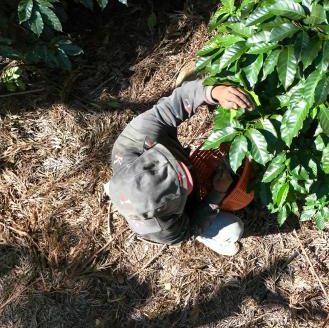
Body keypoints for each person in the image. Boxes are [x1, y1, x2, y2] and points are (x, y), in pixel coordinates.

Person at [105, 79, 255, 256]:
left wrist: (215, 92)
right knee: (233, 229)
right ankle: (211, 238)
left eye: (177, 164)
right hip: (184, 216)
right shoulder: (159, 228)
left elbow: (174, 104)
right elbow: (188, 232)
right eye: (183, 183)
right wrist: (217, 193)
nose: (186, 167)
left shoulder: (137, 137)